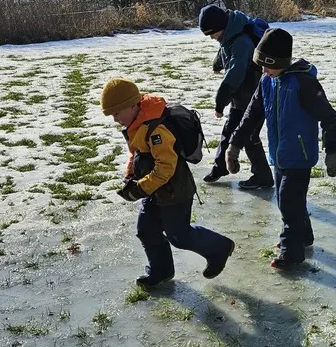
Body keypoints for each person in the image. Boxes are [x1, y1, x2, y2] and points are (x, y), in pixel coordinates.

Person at [99, 78, 235, 288]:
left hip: (175, 191)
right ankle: (161, 271)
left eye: (117, 113)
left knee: (179, 235)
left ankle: (219, 247)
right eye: (112, 115)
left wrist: (140, 188)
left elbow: (165, 168)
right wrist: (130, 176)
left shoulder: (156, 129)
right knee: (146, 230)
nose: (115, 119)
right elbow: (135, 154)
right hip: (153, 189)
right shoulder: (135, 124)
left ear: (133, 105)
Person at [226, 29, 336, 269]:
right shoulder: (267, 81)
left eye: (267, 65)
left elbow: (329, 116)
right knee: (287, 199)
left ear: (280, 62)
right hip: (278, 154)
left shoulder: (303, 84)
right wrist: (234, 145)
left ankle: (292, 252)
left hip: (299, 156)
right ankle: (303, 236)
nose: (263, 70)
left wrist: (333, 150)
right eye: (260, 66)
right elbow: (251, 115)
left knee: (289, 202)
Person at [198, 5, 273, 189]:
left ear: (221, 27)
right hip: (241, 98)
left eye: (212, 34)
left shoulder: (242, 42)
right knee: (230, 132)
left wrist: (220, 103)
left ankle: (263, 176)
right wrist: (217, 64)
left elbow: (234, 76)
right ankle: (220, 167)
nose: (211, 38)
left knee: (248, 136)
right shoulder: (230, 32)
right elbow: (224, 49)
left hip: (254, 98)